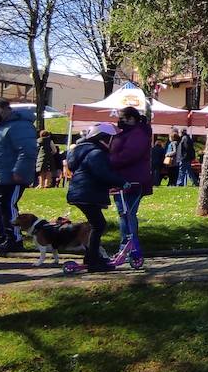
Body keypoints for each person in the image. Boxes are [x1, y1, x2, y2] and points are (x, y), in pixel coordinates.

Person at [64, 122, 127, 273]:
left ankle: (92, 257)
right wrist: (122, 182)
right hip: (87, 193)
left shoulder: (84, 150)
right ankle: (93, 261)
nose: (113, 143)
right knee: (98, 225)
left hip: (82, 192)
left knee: (97, 225)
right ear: (103, 139)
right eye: (111, 139)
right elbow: (102, 173)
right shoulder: (96, 153)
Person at [0, 98, 38, 254]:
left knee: (7, 206)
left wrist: (19, 171)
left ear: (6, 109)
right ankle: (2, 236)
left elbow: (27, 151)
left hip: (11, 176)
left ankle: (14, 239)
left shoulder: (20, 126)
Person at [106, 105, 153, 268]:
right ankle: (126, 248)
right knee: (124, 214)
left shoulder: (137, 134)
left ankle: (132, 249)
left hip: (132, 180)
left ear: (132, 119)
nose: (120, 121)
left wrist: (109, 161)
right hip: (125, 178)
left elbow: (129, 155)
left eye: (123, 118)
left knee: (128, 214)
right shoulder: (132, 133)